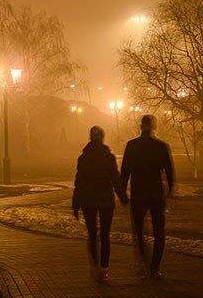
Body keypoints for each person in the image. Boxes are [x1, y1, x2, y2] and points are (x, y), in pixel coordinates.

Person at [120, 114, 175, 278]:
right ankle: (155, 268)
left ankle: (144, 262)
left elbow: (125, 171)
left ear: (140, 126)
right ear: (154, 127)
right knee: (159, 231)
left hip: (139, 192)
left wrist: (122, 192)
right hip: (156, 192)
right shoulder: (161, 146)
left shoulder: (132, 146)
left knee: (138, 231)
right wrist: (170, 189)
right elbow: (169, 170)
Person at [72, 125, 128, 281]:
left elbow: (79, 182)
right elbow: (115, 180)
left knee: (92, 234)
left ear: (90, 138)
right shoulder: (108, 157)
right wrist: (123, 198)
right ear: (103, 138)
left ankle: (95, 264)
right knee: (105, 234)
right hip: (105, 200)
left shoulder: (83, 158)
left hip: (88, 200)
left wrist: (76, 205)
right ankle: (104, 268)